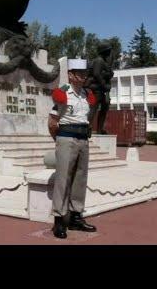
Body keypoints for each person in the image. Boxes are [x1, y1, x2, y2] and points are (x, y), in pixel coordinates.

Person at [48, 58, 98, 239]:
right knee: (63, 179)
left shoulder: (87, 95)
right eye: (80, 74)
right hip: (67, 138)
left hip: (83, 139)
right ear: (70, 75)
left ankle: (76, 217)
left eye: (85, 74)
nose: (83, 77)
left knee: (80, 178)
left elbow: (88, 117)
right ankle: (59, 220)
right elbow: (52, 122)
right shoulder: (62, 94)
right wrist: (60, 140)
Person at [85, 41, 114, 134]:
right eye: (108, 50)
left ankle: (100, 129)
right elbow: (96, 74)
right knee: (93, 108)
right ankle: (87, 127)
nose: (110, 52)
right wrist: (104, 84)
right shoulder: (99, 60)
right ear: (103, 51)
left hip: (103, 90)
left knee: (104, 109)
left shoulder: (104, 61)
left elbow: (106, 74)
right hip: (97, 88)